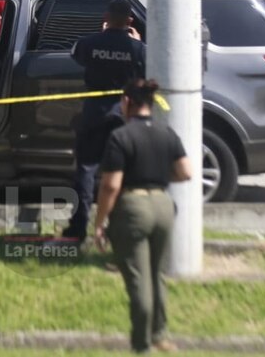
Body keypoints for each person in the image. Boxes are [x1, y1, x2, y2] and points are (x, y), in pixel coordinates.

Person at [92, 78, 192, 354]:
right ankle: (160, 334)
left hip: (133, 207)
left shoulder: (121, 136)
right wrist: (159, 177)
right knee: (156, 273)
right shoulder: (166, 133)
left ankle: (142, 345)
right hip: (163, 205)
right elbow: (186, 172)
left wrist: (100, 223)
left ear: (127, 102)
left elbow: (111, 186)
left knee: (138, 279)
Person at [62, 0, 145, 242]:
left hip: (95, 111)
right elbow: (145, 69)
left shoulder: (89, 43)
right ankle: (121, 227)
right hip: (123, 114)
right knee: (123, 171)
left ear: (106, 17)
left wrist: (103, 36)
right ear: (130, 20)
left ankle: (78, 227)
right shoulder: (138, 49)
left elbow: (76, 55)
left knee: (86, 169)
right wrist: (137, 41)